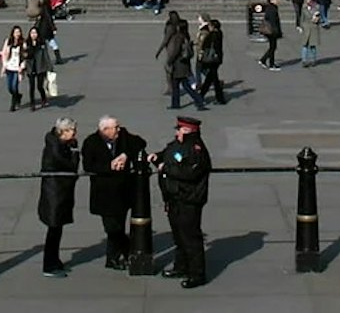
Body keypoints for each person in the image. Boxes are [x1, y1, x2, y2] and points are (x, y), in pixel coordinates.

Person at [150, 115, 212, 288]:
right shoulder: (178, 144)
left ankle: (197, 274)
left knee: (190, 237)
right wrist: (158, 157)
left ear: (187, 131)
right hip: (174, 197)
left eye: (179, 129)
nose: (177, 132)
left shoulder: (196, 149)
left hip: (188, 199)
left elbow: (190, 173)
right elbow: (169, 153)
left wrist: (166, 168)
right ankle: (181, 266)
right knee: (179, 236)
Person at [81, 115, 146, 269]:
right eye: (115, 128)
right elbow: (89, 166)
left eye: (117, 126)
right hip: (104, 193)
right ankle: (127, 249)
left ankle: (113, 258)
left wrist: (125, 154)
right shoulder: (91, 142)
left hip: (123, 191)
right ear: (105, 130)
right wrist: (109, 166)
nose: (118, 129)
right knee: (112, 227)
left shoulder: (123, 135)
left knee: (119, 225)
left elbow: (140, 142)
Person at [38, 116, 80, 276]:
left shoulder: (58, 143)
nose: (75, 134)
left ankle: (54, 260)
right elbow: (71, 166)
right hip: (55, 195)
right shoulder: (56, 147)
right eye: (72, 131)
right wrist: (75, 152)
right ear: (63, 132)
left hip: (58, 193)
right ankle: (49, 265)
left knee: (56, 230)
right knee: (54, 230)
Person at [195, 17, 227, 105]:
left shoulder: (213, 35)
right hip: (217, 59)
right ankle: (218, 98)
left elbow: (206, 45)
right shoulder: (219, 33)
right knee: (212, 79)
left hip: (212, 59)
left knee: (211, 79)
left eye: (210, 25)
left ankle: (201, 96)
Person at [24, 26, 54, 111]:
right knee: (31, 86)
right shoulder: (27, 43)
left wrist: (50, 67)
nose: (33, 35)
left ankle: (43, 98)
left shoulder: (42, 43)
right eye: (32, 33)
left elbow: (46, 55)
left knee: (39, 86)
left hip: (40, 67)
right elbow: (23, 55)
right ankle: (32, 104)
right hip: (31, 67)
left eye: (35, 33)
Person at [0, 25, 26, 112]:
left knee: (14, 86)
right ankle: (18, 96)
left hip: (17, 69)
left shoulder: (23, 43)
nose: (17, 34)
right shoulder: (8, 42)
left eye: (19, 32)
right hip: (9, 67)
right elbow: (4, 54)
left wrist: (22, 66)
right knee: (9, 87)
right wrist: (4, 65)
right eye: (16, 32)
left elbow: (25, 56)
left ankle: (13, 105)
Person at [257, 0, 283, 70]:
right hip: (272, 31)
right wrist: (276, 32)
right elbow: (273, 22)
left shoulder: (272, 7)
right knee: (273, 47)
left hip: (271, 30)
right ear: (271, 0)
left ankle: (266, 61)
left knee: (272, 47)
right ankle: (268, 62)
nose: (277, 1)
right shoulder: (272, 9)